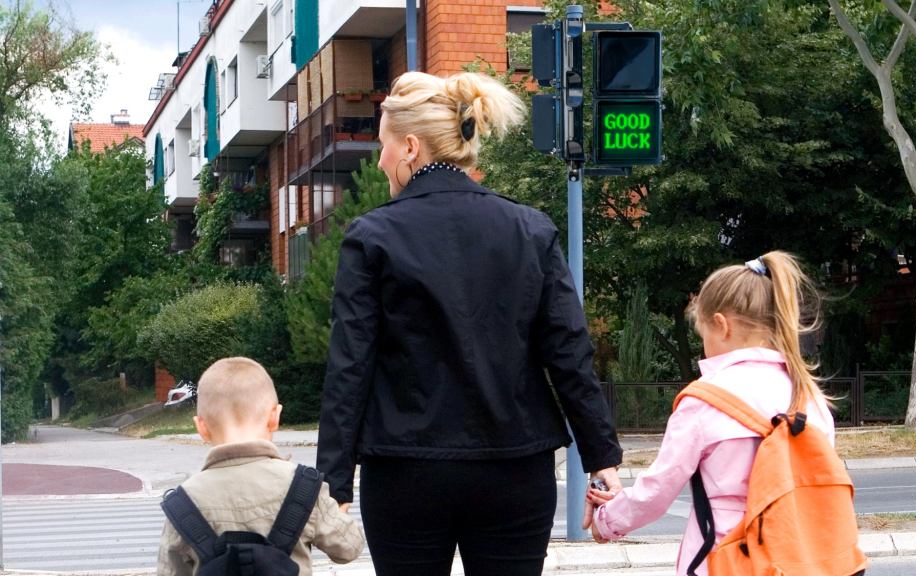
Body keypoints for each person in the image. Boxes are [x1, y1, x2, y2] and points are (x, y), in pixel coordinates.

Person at [317, 71, 623, 576]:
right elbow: (569, 352)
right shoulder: (531, 229)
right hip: (515, 470)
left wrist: (334, 482)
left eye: (384, 146)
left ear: (411, 147)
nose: (381, 160)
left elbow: (350, 366)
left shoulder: (372, 237)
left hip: (405, 472)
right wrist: (601, 457)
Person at [588, 251, 836, 576]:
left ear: (721, 325)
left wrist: (606, 522)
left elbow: (657, 491)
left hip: (724, 559)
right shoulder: (809, 396)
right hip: (799, 559)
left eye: (703, 334)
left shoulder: (704, 400)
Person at [157, 357, 364, 575]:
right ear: (274, 417)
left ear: (201, 428)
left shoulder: (183, 503)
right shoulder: (304, 488)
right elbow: (349, 548)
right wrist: (337, 513)